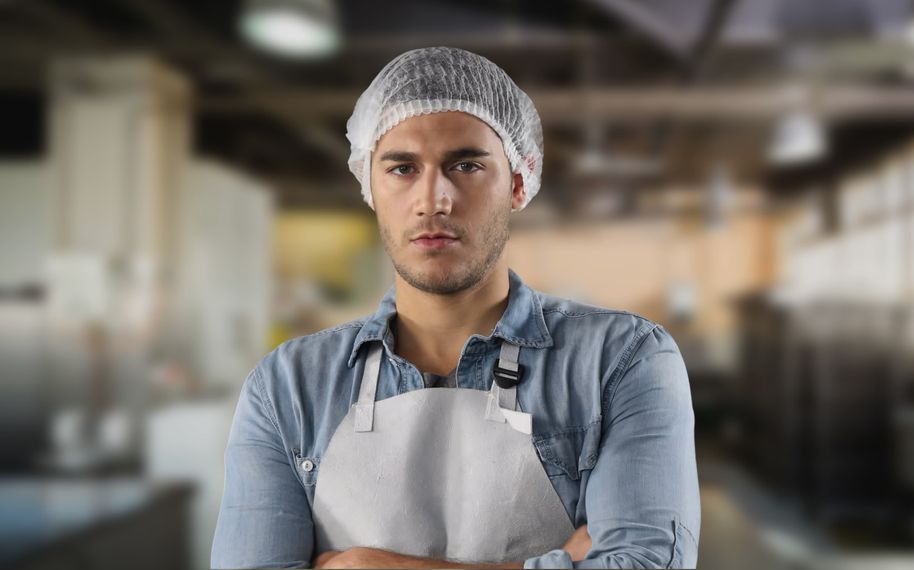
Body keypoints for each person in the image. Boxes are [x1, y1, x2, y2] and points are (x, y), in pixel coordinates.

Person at [210, 46, 700, 569]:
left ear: (517, 182)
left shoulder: (621, 361)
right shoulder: (287, 385)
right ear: (368, 186)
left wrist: (375, 567)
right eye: (401, 168)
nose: (432, 199)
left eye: (466, 165)